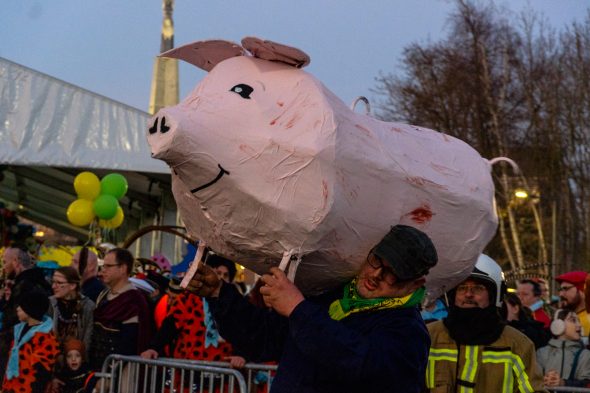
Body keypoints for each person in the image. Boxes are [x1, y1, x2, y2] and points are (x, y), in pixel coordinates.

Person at [188, 224, 438, 393]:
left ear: (415, 284)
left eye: (393, 273)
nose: (376, 275)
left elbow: (361, 364)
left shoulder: (408, 332)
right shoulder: (330, 296)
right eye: (376, 261)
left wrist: (298, 309)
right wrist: (219, 294)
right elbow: (264, 339)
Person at [425, 254, 546, 392]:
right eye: (462, 288)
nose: (468, 294)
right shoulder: (428, 337)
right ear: (452, 295)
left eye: (478, 288)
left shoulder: (517, 344)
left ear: (494, 295)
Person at [88, 248, 152, 371]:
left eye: (108, 266)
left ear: (122, 268)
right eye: (103, 266)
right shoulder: (104, 294)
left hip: (121, 370)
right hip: (97, 366)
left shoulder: (132, 299)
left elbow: (129, 343)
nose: (103, 271)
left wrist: (111, 373)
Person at [0, 246, 52, 379]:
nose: (4, 267)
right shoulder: (36, 281)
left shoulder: (26, 284)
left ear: (16, 261)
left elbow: (15, 319)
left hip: (22, 353)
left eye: (5, 262)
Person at [2, 290, 59, 393]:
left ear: (30, 310)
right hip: (12, 385)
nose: (17, 309)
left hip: (29, 387)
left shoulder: (45, 336)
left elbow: (42, 371)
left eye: (22, 307)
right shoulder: (18, 330)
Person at [536, 309, 590, 389]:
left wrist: (563, 383)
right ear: (558, 325)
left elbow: (587, 384)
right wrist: (544, 380)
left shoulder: (586, 354)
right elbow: (532, 380)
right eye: (573, 320)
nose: (579, 325)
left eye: (578, 321)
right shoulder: (541, 352)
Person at [47, 266, 95, 354]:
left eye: (59, 283)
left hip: (77, 360)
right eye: (53, 282)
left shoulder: (87, 306)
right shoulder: (50, 303)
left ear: (72, 285)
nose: (53, 286)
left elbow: (88, 337)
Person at [556, 271, 590, 336]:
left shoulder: (587, 322)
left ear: (582, 291)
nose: (561, 294)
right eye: (560, 289)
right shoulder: (570, 317)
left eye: (566, 289)